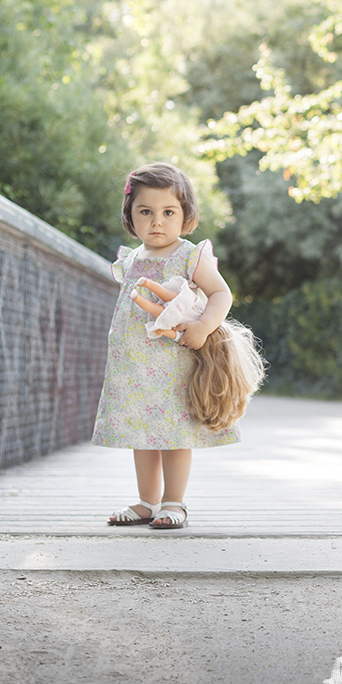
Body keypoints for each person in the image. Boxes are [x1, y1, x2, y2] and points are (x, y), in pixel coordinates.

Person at [93, 162, 264, 529]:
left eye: (168, 212)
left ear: (185, 216)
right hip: (134, 368)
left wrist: (203, 325)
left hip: (173, 365)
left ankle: (174, 503)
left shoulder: (188, 255)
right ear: (131, 216)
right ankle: (146, 501)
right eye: (146, 212)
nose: (157, 221)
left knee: (173, 433)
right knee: (142, 433)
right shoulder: (132, 259)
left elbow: (221, 293)